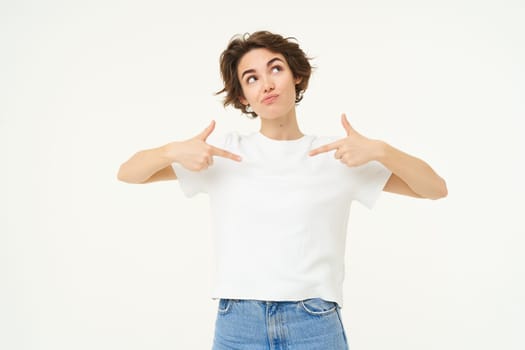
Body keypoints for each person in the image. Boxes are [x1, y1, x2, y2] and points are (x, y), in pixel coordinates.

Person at [117, 30, 447, 350]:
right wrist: (172, 151)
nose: (267, 84)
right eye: (252, 78)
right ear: (243, 97)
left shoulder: (337, 154)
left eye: (275, 68)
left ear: (297, 76)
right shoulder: (224, 152)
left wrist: (380, 150)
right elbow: (128, 173)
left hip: (314, 323)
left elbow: (434, 188)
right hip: (238, 324)